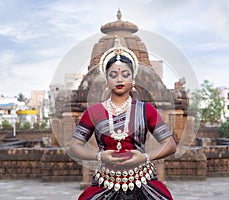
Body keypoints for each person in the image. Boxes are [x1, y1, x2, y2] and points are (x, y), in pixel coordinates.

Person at [69, 42, 176, 200]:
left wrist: (145, 157)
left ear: (133, 78)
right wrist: (100, 156)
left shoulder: (146, 110)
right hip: (106, 181)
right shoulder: (94, 112)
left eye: (125, 74)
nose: (119, 79)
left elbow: (170, 144)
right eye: (113, 75)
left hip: (142, 180)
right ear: (106, 79)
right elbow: (74, 146)